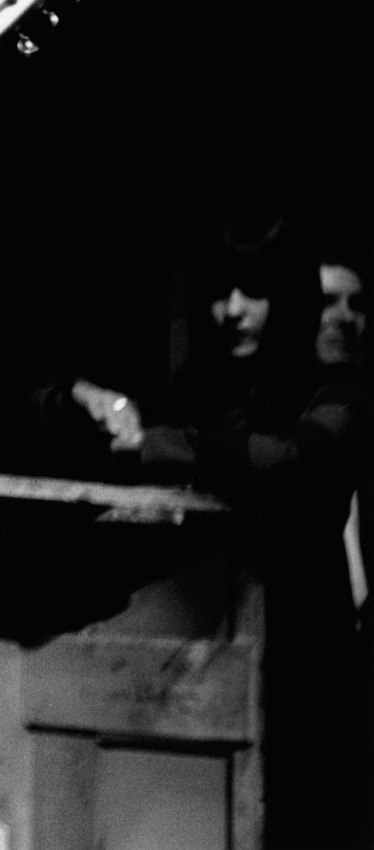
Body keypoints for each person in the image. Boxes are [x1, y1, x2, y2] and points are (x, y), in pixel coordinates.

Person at [60, 211, 366, 849]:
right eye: (221, 292)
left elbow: (288, 461)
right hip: (208, 665)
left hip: (308, 673)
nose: (231, 310)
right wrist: (87, 403)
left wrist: (154, 444)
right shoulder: (205, 391)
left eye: (253, 292)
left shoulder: (335, 394)